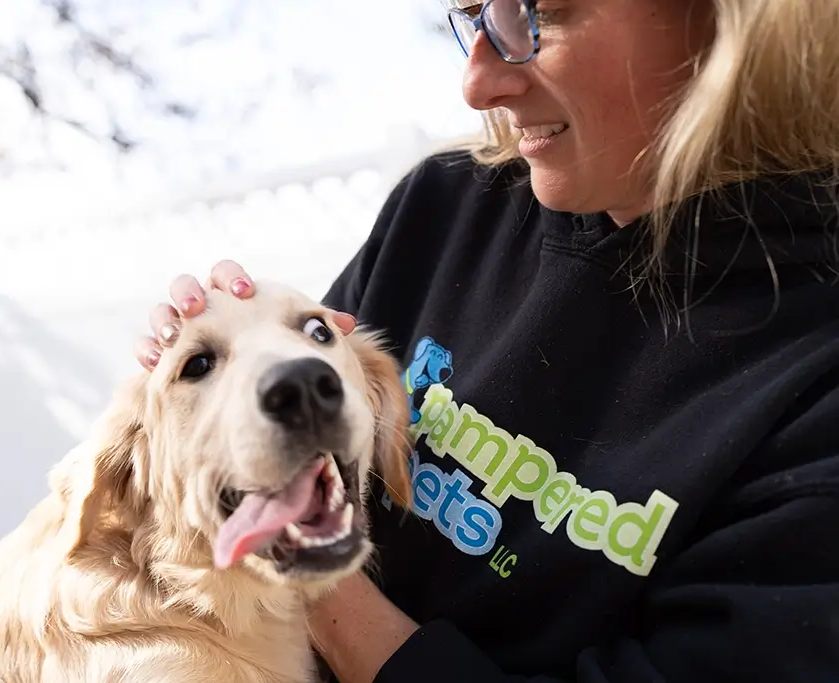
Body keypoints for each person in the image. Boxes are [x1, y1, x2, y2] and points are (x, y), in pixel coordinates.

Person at [134, 0, 839, 681]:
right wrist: (208, 380)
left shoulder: (815, 381)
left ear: (739, 19)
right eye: (476, 14)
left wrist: (304, 561)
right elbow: (254, 473)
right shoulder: (442, 208)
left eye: (541, 14)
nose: (477, 83)